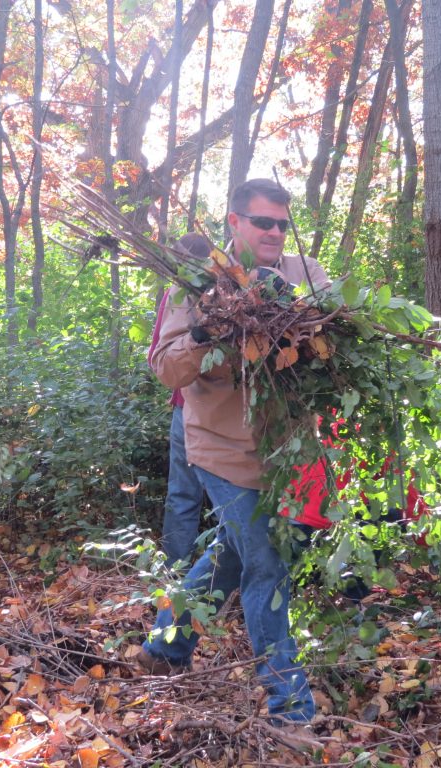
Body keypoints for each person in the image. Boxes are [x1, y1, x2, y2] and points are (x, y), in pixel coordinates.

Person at [140, 178, 330, 724]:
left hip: (286, 452)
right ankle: (289, 708)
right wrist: (208, 330)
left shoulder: (306, 275)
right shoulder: (195, 284)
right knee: (265, 564)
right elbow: (168, 369)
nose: (273, 232)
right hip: (222, 449)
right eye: (262, 221)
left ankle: (167, 644)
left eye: (281, 223)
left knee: (230, 553)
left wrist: (292, 315)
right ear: (235, 222)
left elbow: (334, 342)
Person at [147, 233, 212, 569]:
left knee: (188, 495)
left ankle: (182, 572)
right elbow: (160, 358)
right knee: (190, 494)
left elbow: (155, 356)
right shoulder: (180, 295)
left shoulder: (193, 293)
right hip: (188, 409)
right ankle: (180, 571)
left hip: (201, 410)